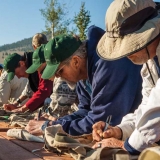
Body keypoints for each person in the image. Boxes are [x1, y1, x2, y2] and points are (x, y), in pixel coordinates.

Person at [25, 25, 142, 136]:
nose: (57, 77)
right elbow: (85, 111)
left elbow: (101, 121)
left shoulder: (107, 64)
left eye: (59, 71)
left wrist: (52, 126)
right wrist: (58, 122)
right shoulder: (83, 75)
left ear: (75, 61)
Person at [92, 0, 160, 155]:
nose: (127, 54)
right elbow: (147, 107)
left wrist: (127, 146)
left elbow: (157, 110)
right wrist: (120, 131)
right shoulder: (150, 63)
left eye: (132, 46)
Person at [25, 44, 78, 120]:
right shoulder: (60, 77)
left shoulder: (63, 80)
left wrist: (50, 117)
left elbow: (58, 114)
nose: (44, 76)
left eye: (45, 71)